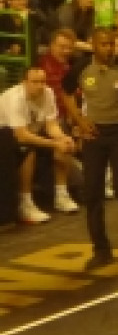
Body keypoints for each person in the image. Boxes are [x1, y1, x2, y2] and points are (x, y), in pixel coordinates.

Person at [61, 26, 118, 270]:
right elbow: (66, 92)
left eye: (112, 45)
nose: (109, 49)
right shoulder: (81, 68)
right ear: (93, 45)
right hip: (94, 134)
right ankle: (101, 249)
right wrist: (80, 120)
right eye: (104, 45)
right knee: (92, 194)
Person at [0, 63, 77, 224]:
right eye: (34, 82)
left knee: (62, 141)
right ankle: (25, 203)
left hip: (32, 135)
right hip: (7, 141)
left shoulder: (48, 93)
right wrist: (54, 144)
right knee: (29, 150)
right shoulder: (14, 98)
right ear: (24, 82)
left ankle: (61, 195)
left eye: (42, 81)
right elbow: (21, 136)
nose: (40, 86)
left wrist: (62, 138)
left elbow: (51, 125)